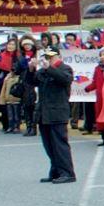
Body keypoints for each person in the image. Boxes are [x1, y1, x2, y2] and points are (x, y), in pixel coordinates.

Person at [34, 49, 77, 184]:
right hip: (44, 112)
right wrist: (30, 69)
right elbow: (31, 82)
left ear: (58, 56)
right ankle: (56, 171)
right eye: (46, 57)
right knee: (49, 145)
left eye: (51, 57)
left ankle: (67, 172)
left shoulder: (65, 69)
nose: (48, 59)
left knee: (59, 145)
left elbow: (65, 80)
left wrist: (50, 68)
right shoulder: (42, 71)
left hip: (57, 112)